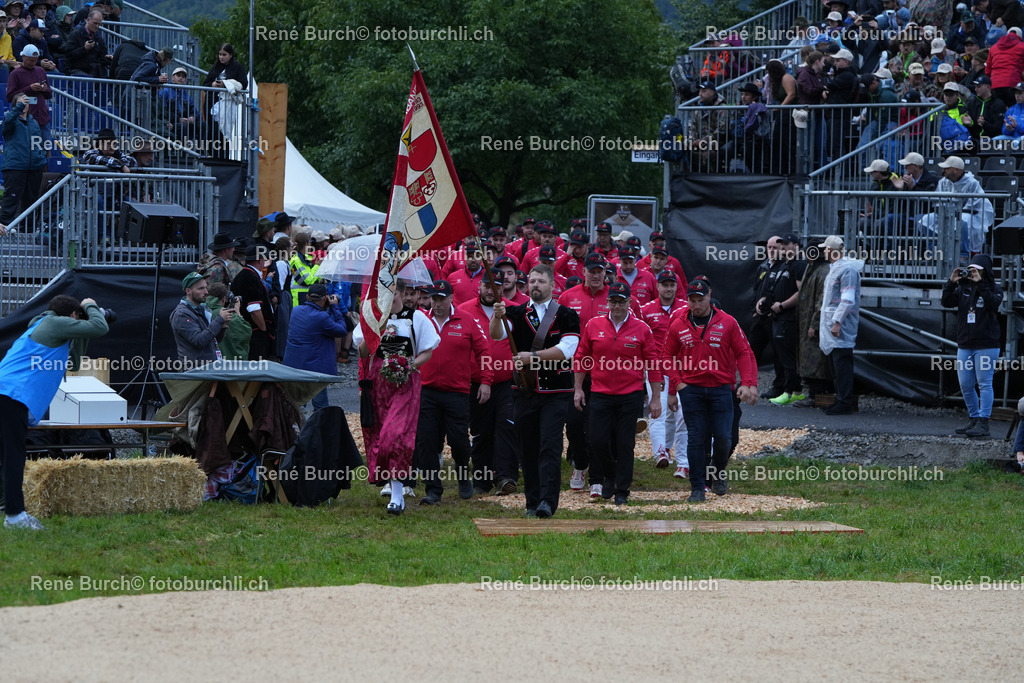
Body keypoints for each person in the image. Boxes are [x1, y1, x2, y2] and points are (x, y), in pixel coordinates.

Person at [0, 295, 108, 530]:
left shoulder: (42, 325)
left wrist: (81, 330)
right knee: (14, 457)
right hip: (11, 395)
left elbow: (75, 363)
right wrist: (90, 305)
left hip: (6, 393)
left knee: (5, 456)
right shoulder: (55, 323)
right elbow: (100, 326)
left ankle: (10, 510)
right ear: (72, 316)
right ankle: (15, 517)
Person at [490, 265, 581, 518]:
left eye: (541, 281)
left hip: (556, 392)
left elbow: (567, 349)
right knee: (527, 448)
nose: (535, 285)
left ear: (553, 285)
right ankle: (532, 502)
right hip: (525, 391)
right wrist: (497, 316)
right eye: (531, 281)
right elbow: (495, 335)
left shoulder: (567, 314)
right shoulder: (517, 312)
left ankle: (547, 502)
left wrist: (532, 357)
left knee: (549, 446)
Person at [663, 279, 758, 502]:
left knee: (724, 437)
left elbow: (744, 352)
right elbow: (666, 356)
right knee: (695, 438)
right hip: (692, 390)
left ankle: (716, 471)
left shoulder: (728, 322)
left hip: (721, 389)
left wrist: (746, 382)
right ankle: (697, 487)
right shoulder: (678, 323)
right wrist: (677, 383)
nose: (696, 305)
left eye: (701, 299)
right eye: (692, 300)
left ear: (710, 295)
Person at [356, 281, 440, 515]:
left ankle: (397, 494)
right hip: (379, 381)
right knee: (381, 436)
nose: (387, 297)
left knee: (395, 435)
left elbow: (427, 352)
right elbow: (363, 353)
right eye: (383, 292)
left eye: (392, 292)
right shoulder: (373, 318)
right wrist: (371, 331)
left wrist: (409, 364)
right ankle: (394, 493)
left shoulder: (417, 318)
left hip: (406, 381)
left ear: (402, 294)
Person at [574, 282, 660, 506]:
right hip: (600, 392)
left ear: (630, 303)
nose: (617, 306)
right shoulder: (594, 325)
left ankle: (622, 488)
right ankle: (610, 474)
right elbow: (582, 357)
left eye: (622, 302)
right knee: (597, 439)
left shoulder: (642, 328)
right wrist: (578, 388)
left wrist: (656, 397)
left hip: (630, 394)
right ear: (608, 302)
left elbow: (653, 364)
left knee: (624, 443)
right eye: (613, 301)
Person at [416, 279, 493, 505]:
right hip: (426, 390)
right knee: (427, 441)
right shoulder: (422, 320)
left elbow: (484, 350)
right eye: (434, 299)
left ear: (451, 298)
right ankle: (433, 489)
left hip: (457, 391)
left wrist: (486, 381)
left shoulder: (467, 320)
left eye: (442, 299)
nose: (437, 303)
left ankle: (463, 477)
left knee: (459, 440)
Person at [459, 272, 518, 495]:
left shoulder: (512, 309)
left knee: (506, 427)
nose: (490, 290)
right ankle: (482, 478)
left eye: (495, 286)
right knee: (480, 431)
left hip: (506, 381)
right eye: (486, 285)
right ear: (479, 286)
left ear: (502, 288)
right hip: (476, 381)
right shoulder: (464, 309)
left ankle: (506, 476)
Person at [558, 252, 611, 495]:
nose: (597, 275)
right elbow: (557, 331)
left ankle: (598, 476)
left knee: (599, 426)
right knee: (575, 422)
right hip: (573, 369)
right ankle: (580, 463)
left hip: (606, 370)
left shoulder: (615, 296)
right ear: (584, 272)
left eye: (600, 271)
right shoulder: (569, 297)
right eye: (592, 270)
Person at [941, 255, 1002, 438]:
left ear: (985, 271)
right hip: (965, 345)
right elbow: (946, 302)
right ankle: (974, 418)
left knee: (984, 383)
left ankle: (984, 422)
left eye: (977, 269)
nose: (973, 272)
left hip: (986, 344)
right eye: (970, 269)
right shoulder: (962, 288)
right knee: (966, 385)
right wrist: (951, 283)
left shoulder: (994, 288)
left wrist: (981, 283)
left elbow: (993, 304)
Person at [640, 271, 689, 475]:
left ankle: (681, 460)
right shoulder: (646, 310)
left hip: (682, 369)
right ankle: (660, 452)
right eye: (664, 285)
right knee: (657, 412)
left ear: (677, 287)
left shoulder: (686, 309)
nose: (668, 288)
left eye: (672, 284)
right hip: (656, 370)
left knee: (681, 414)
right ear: (657, 286)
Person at [282, 283, 349, 410]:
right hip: (315, 370)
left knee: (297, 405)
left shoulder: (296, 311)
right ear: (325, 299)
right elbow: (341, 330)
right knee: (321, 407)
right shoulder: (321, 317)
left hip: (294, 367)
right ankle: (320, 429)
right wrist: (334, 307)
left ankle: (297, 428)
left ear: (307, 296)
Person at [818, 235, 862, 416]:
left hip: (840, 326)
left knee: (842, 364)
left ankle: (843, 402)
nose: (823, 251)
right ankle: (840, 400)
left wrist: (837, 323)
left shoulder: (847, 270)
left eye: (825, 248)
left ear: (830, 250)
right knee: (838, 364)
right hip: (835, 324)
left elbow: (847, 299)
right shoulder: (839, 269)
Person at [766, 234, 807, 405]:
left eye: (787, 244)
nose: (783, 247)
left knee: (789, 357)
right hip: (779, 316)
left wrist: (782, 305)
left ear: (796, 245)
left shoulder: (798, 264)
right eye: (781, 244)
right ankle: (790, 390)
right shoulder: (785, 264)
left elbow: (801, 292)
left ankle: (792, 392)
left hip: (789, 318)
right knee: (783, 356)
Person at [793, 249, 833, 408]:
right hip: (805, 322)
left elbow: (821, 301)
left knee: (815, 359)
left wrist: (814, 325)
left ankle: (815, 396)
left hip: (812, 324)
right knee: (809, 358)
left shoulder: (821, 272)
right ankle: (814, 394)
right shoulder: (813, 269)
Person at [935, 155, 992, 264]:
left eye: (946, 168)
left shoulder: (972, 182)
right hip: (948, 213)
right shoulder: (943, 182)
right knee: (925, 220)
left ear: (956, 170)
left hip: (973, 215)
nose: (943, 171)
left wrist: (954, 214)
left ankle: (963, 255)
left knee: (963, 220)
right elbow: (938, 201)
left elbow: (974, 205)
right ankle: (936, 254)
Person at [170, 271, 234, 364]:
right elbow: (199, 341)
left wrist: (222, 327)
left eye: (206, 288)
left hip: (208, 368)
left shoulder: (203, 310)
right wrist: (219, 320)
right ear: (188, 291)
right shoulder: (181, 314)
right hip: (195, 371)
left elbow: (214, 340)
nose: (206, 292)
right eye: (201, 289)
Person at [0, 94, 45, 225]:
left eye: (26, 102)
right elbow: (7, 122)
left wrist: (40, 156)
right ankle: (4, 228)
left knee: (31, 200)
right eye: (21, 102)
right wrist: (18, 107)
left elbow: (38, 141)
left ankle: (28, 229)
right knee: (11, 198)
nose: (24, 104)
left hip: (34, 167)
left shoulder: (33, 122)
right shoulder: (11, 119)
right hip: (15, 166)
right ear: (15, 104)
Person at [751, 236, 785, 399]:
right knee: (751, 351)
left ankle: (779, 387)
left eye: (775, 248)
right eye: (769, 247)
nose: (771, 250)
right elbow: (756, 289)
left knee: (778, 353)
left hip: (776, 318)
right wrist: (755, 309)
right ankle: (746, 383)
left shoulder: (785, 268)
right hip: (760, 317)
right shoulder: (763, 266)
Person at [231, 243, 276, 360]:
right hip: (254, 333)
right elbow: (254, 309)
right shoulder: (250, 277)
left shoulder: (246, 274)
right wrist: (264, 330)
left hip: (250, 330)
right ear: (260, 260)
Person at [7, 44, 51, 143]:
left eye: (35, 60)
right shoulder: (15, 74)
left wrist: (44, 89)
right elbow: (10, 97)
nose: (33, 63)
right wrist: (29, 88)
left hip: (42, 119)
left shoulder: (41, 71)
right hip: (23, 120)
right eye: (31, 60)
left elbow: (49, 94)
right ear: (23, 57)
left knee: (46, 151)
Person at [206, 282, 251, 360]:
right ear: (224, 299)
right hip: (228, 362)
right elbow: (246, 331)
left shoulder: (202, 311)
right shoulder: (228, 315)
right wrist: (237, 311)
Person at [62, 9, 110, 77]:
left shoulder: (99, 39)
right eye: (95, 23)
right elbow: (69, 54)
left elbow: (102, 56)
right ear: (88, 20)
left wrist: (109, 59)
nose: (97, 26)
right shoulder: (75, 35)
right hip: (76, 69)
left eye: (99, 24)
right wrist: (84, 49)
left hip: (94, 71)